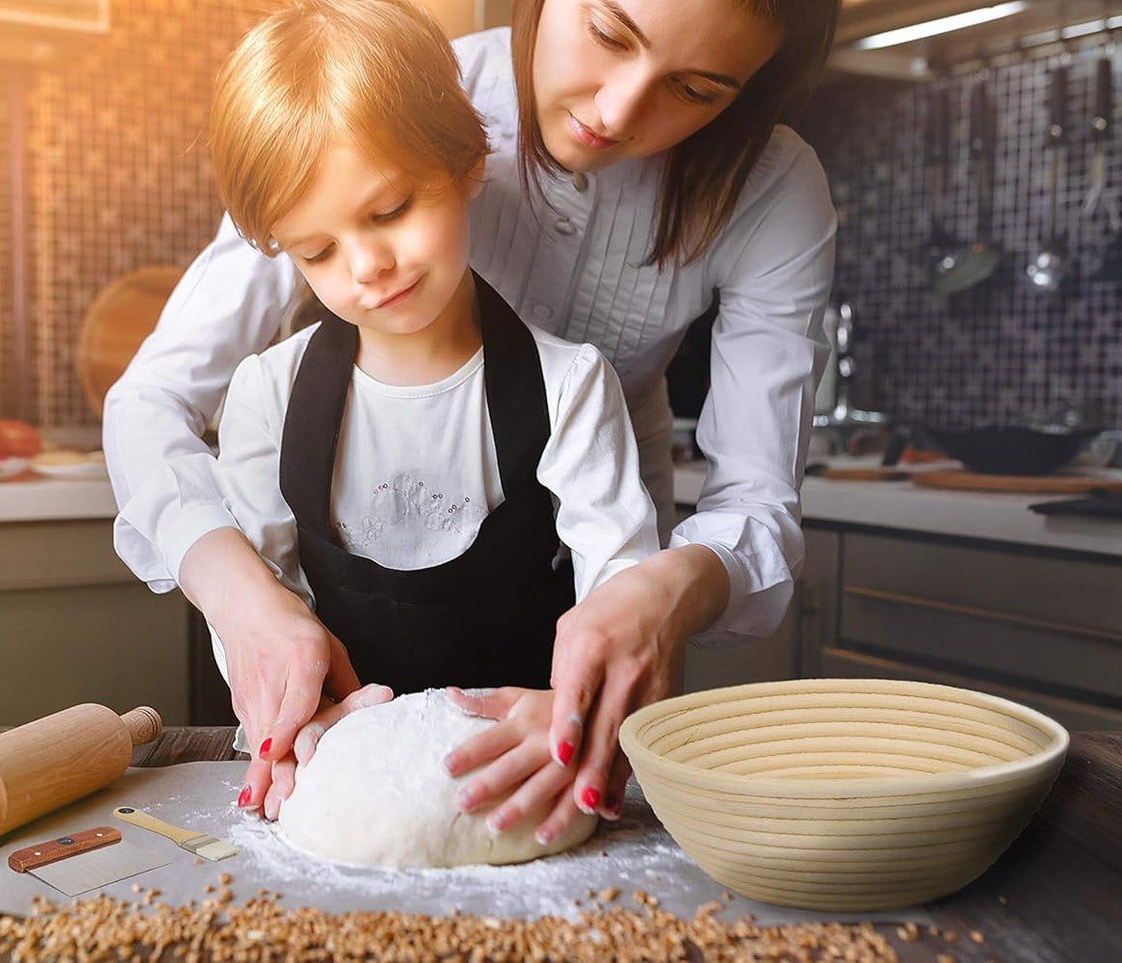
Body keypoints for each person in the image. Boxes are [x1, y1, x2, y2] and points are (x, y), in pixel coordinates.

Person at [105, 0, 838, 836]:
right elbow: (151, 401)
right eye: (607, 35)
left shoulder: (768, 195)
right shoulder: (396, 92)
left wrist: (655, 592)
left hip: (577, 580)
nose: (615, 112)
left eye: (696, 88)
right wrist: (243, 603)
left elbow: (757, 507)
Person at [199, 0, 659, 844]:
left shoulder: (571, 385)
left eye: (388, 210)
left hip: (522, 782)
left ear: (465, 163)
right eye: (317, 250)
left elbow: (622, 594)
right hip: (331, 783)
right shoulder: (267, 392)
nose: (366, 267)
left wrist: (575, 715)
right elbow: (259, 612)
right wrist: (303, 720)